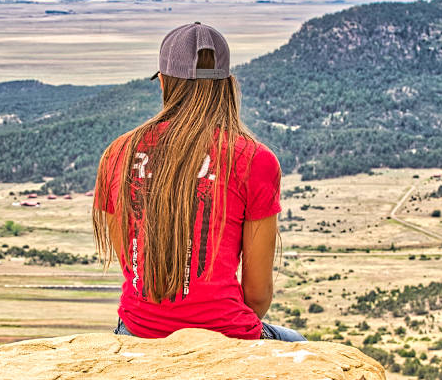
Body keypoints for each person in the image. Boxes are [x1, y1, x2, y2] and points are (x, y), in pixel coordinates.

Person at [92, 22, 305, 342]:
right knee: (297, 345)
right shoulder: (254, 160)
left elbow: (133, 265)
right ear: (228, 85)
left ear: (163, 82)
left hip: (137, 331)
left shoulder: (118, 154)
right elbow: (258, 295)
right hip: (224, 332)